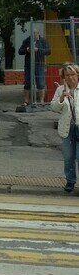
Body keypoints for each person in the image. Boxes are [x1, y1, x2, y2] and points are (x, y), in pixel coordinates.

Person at [49, 63, 79, 193]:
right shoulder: (60, 89)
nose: (70, 77)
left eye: (73, 74)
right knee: (68, 157)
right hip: (67, 128)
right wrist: (61, 98)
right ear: (64, 77)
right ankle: (70, 181)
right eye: (67, 75)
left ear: (77, 75)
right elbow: (54, 108)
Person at [19, 28, 51, 107]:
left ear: (38, 33)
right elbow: (20, 51)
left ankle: (41, 101)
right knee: (27, 83)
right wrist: (27, 50)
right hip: (28, 65)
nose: (33, 36)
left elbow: (48, 51)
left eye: (35, 34)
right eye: (32, 34)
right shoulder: (27, 40)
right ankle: (26, 101)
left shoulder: (43, 41)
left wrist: (38, 50)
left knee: (40, 83)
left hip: (39, 64)